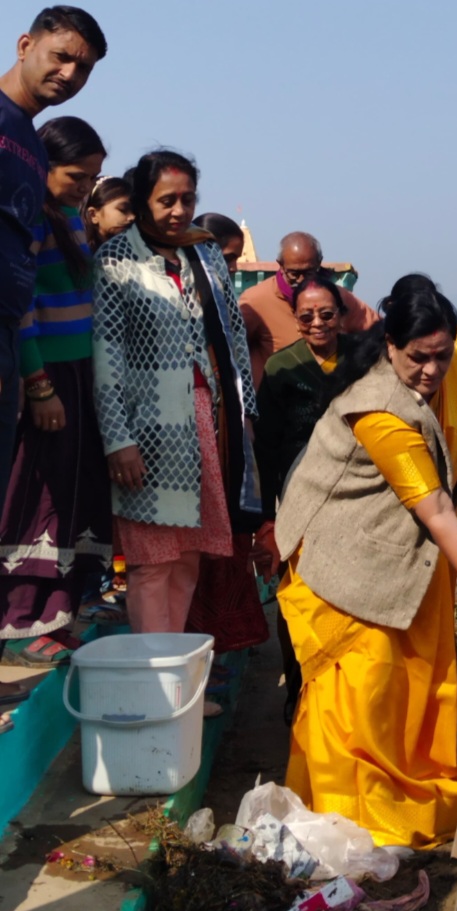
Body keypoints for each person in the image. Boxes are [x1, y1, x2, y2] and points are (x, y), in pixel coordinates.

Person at [275, 273, 457, 847]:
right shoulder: (378, 411)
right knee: (358, 696)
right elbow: (435, 506)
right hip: (339, 563)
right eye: (420, 358)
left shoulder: (413, 381)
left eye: (442, 356)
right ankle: (357, 816)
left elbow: (453, 413)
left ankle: (398, 781)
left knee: (404, 686)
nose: (433, 370)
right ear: (391, 344)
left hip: (384, 554)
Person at [92, 150, 259, 643]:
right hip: (145, 429)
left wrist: (246, 417)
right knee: (151, 563)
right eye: (167, 200)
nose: (180, 210)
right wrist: (117, 440)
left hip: (206, 422)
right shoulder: (116, 259)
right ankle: (153, 673)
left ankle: (175, 670)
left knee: (188, 558)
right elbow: (105, 355)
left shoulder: (205, 254)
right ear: (143, 200)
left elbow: (234, 339)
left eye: (188, 199)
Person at [0, 117, 110, 674]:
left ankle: (52, 616)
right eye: (76, 176)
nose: (84, 187)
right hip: (45, 377)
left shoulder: (69, 217)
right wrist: (39, 384)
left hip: (78, 373)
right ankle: (18, 623)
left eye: (93, 179)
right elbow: (20, 308)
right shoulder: (30, 219)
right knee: (33, 500)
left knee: (69, 498)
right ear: (43, 164)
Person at [0, 5, 106, 514]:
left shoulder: (31, 145)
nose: (69, 74)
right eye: (61, 56)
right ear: (25, 46)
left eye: (83, 68)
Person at [253, 274, 355, 722]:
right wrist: (266, 517)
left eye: (327, 314)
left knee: (348, 595)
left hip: (355, 499)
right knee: (297, 594)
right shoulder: (282, 367)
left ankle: (342, 694)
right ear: (295, 320)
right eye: (307, 315)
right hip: (298, 501)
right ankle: (298, 692)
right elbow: (265, 446)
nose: (318, 323)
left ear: (342, 316)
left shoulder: (362, 360)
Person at [183, 211, 268, 656]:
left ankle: (221, 644)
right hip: (199, 427)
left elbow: (238, 369)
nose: (233, 267)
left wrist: (244, 419)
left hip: (228, 426)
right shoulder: (185, 298)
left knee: (229, 532)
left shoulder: (225, 301)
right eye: (229, 257)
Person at [239, 231, 379, 387]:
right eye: (294, 274)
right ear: (281, 265)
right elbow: (233, 348)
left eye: (308, 273)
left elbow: (378, 332)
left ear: (319, 263)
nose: (301, 280)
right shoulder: (256, 301)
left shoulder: (337, 296)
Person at [82, 175, 132, 251]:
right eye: (123, 209)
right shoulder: (80, 253)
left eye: (134, 210)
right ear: (93, 215)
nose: (132, 217)